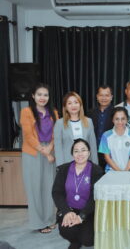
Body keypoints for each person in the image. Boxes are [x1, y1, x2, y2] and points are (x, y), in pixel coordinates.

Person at [20, 83, 58, 234]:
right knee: (35, 188)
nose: (43, 97)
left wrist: (50, 149)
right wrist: (45, 152)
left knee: (49, 187)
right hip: (33, 153)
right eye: (39, 94)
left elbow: (56, 133)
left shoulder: (54, 112)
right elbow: (28, 136)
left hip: (50, 151)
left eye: (46, 95)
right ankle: (38, 223)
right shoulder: (26, 111)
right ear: (33, 96)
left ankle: (49, 219)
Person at [52, 138, 104, 249]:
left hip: (89, 211)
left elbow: (96, 196)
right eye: (76, 151)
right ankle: (76, 240)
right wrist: (66, 212)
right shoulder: (63, 170)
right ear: (72, 154)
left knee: (88, 240)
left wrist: (82, 216)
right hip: (70, 210)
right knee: (66, 230)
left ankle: (81, 237)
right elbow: (57, 192)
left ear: (89, 153)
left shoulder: (97, 171)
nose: (80, 154)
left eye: (83, 150)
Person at [54, 92, 98, 166]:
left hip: (86, 163)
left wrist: (95, 165)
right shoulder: (59, 123)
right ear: (65, 107)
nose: (73, 105)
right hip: (67, 163)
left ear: (80, 105)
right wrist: (61, 167)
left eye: (76, 102)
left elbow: (93, 145)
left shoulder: (88, 121)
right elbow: (58, 148)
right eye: (69, 103)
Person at [98, 107, 130, 172]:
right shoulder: (106, 135)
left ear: (127, 120)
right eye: (117, 119)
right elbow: (107, 158)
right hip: (112, 172)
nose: (120, 122)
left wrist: (125, 172)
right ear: (112, 120)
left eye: (123, 119)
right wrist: (119, 172)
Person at [88, 85, 114, 169]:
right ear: (97, 97)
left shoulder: (116, 112)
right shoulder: (90, 113)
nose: (104, 98)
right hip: (93, 151)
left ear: (111, 97)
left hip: (111, 152)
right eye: (101, 95)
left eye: (107, 95)